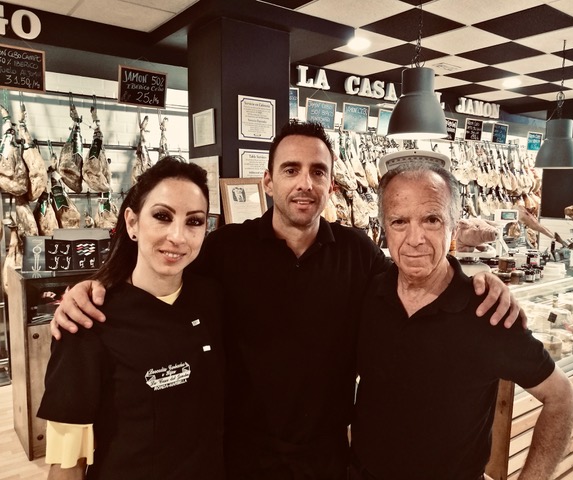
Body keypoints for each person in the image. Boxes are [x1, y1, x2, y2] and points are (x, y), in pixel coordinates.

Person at [52, 121, 522, 480]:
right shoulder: (226, 249)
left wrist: (476, 278)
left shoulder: (357, 251)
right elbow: (159, 270)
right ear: (268, 183)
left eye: (318, 171)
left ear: (331, 185)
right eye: (291, 170)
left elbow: (416, 282)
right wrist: (93, 287)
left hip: (328, 456)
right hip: (237, 456)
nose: (305, 183)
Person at [350, 162, 573, 480]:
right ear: (384, 228)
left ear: (454, 226)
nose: (415, 238)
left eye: (431, 219)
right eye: (400, 221)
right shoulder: (366, 295)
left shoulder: (488, 311)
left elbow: (562, 397)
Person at [37, 157, 224, 480]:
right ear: (132, 223)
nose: (178, 236)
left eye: (194, 222)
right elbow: (66, 464)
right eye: (162, 217)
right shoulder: (88, 320)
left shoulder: (213, 300)